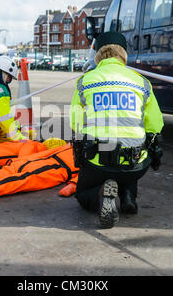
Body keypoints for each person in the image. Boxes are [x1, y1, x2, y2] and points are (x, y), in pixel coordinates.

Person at [70, 31, 164, 229]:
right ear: (123, 53)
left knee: (83, 193)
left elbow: (75, 123)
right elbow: (155, 124)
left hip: (97, 160)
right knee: (132, 152)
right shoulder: (142, 83)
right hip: (135, 164)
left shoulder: (85, 82)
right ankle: (128, 195)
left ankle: (101, 195)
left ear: (97, 54)